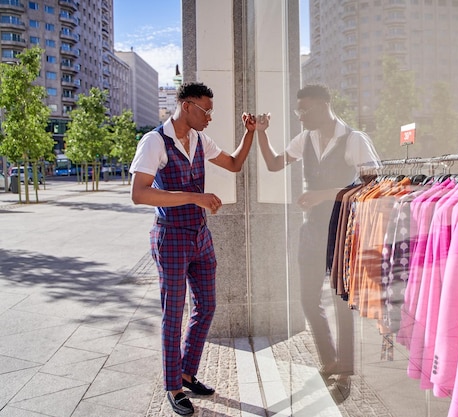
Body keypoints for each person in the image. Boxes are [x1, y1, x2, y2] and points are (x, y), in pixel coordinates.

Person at [129, 81, 257, 416]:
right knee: (173, 314)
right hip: (170, 236)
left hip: (200, 235)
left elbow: (233, 164)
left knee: (207, 306)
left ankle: (187, 372)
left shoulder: (200, 139)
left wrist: (250, 134)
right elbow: (139, 193)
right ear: (186, 106)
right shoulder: (154, 141)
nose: (209, 117)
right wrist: (194, 197)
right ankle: (173, 386)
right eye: (206, 110)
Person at [255, 84, 380, 403]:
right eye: (298, 111)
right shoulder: (305, 139)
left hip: (342, 228)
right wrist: (261, 133)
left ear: (325, 104)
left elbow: (372, 182)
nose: (301, 117)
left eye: (305, 110)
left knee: (340, 299)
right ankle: (329, 360)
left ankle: (346, 368)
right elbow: (273, 163)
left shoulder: (353, 138)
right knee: (308, 298)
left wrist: (323, 195)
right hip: (313, 230)